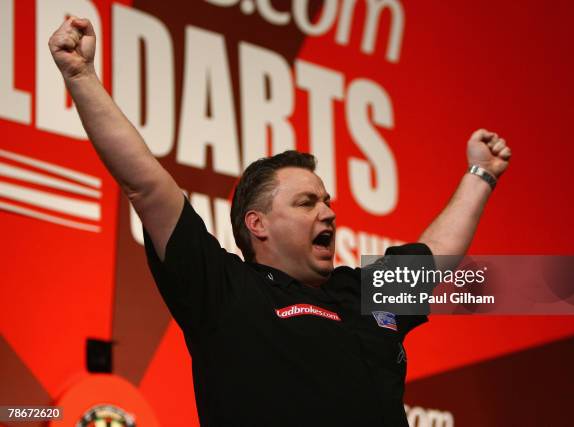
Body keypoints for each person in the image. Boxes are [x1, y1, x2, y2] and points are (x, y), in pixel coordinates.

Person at [49, 16, 512, 427]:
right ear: (258, 224)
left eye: (326, 201)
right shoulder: (224, 291)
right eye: (307, 202)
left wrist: (481, 174)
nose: (328, 212)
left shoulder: (362, 291)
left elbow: (435, 257)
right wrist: (80, 74)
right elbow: (146, 186)